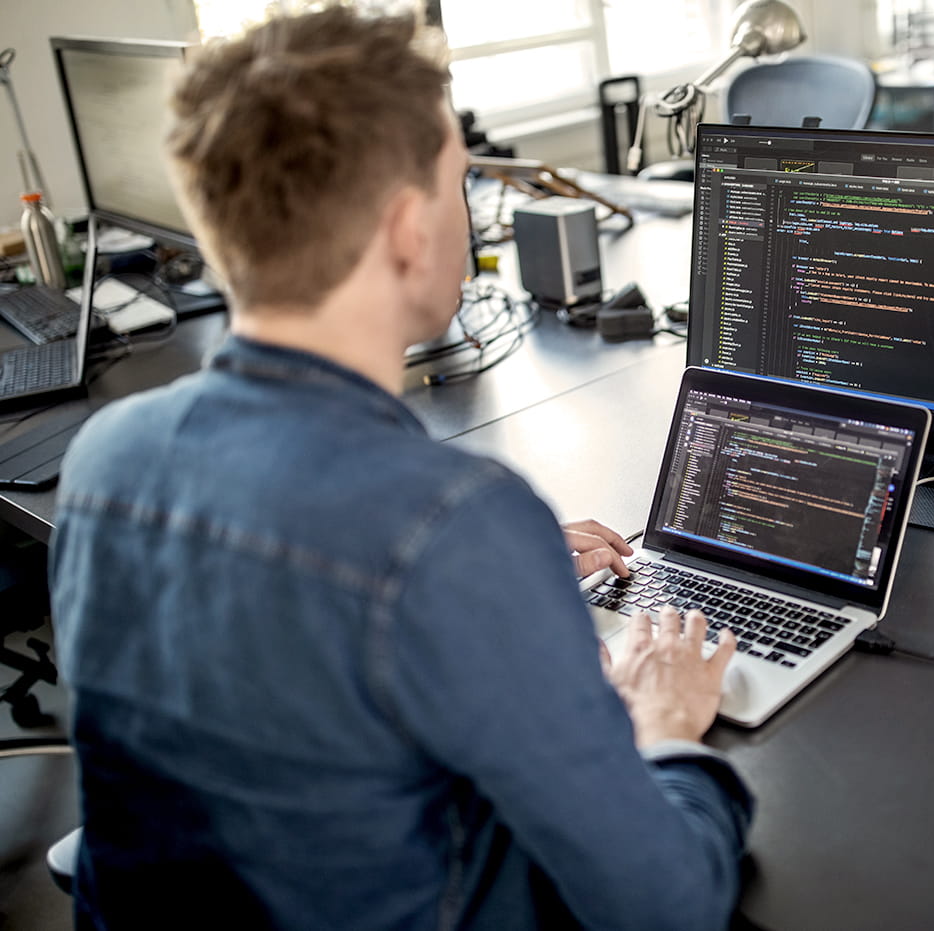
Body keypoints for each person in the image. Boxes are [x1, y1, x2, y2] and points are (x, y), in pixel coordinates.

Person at [48, 7, 750, 929]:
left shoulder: (104, 457)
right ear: (408, 227)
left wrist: (491, 582)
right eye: (460, 180)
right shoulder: (453, 523)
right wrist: (664, 733)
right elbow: (670, 902)